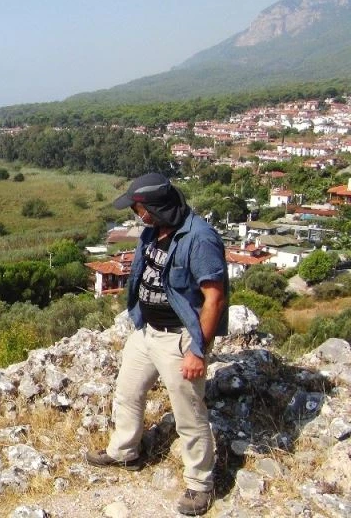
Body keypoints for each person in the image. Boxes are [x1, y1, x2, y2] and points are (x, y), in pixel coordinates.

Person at [85, 173, 228, 516]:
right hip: (146, 331)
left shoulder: (199, 238)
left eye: (138, 209)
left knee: (189, 413)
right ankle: (125, 453)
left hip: (179, 339)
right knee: (127, 393)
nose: (136, 215)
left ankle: (200, 484)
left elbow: (215, 298)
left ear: (154, 206)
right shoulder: (153, 231)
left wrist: (197, 351)